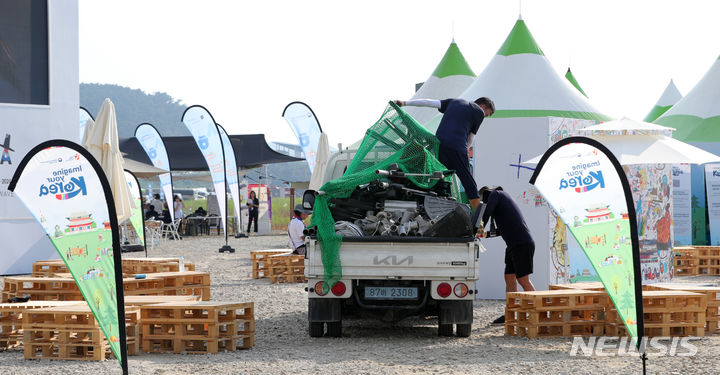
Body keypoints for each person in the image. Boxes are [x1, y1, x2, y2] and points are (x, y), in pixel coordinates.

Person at [395, 97, 494, 210]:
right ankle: (479, 218)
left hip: (439, 145)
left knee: (438, 177)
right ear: (484, 107)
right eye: (487, 114)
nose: (484, 116)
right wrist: (465, 151)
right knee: (468, 181)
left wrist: (404, 103)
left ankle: (429, 208)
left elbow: (429, 102)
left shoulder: (454, 101)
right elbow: (471, 139)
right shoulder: (479, 111)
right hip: (457, 147)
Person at [478, 187, 535, 324]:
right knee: (509, 278)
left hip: (521, 244)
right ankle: (511, 314)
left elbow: (486, 212)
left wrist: (479, 225)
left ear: (485, 195)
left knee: (523, 280)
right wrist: (485, 234)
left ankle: (537, 311)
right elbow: (503, 229)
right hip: (513, 245)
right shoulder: (502, 201)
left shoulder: (496, 194)